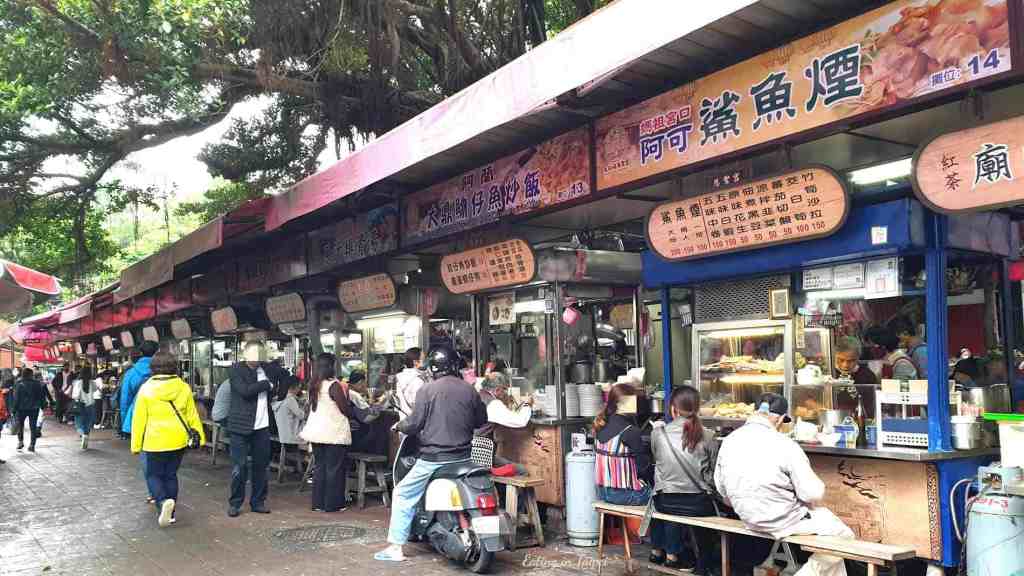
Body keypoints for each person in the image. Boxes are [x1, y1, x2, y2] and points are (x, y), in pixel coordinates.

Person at [715, 393, 853, 576]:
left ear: (755, 412)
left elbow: (721, 490)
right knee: (844, 536)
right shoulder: (785, 445)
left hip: (747, 518)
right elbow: (813, 494)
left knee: (834, 559)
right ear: (780, 419)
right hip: (783, 521)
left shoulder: (729, 441)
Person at [375, 345, 489, 562]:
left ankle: (396, 548)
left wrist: (400, 426)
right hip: (465, 457)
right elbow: (480, 421)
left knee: (402, 493)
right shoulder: (469, 390)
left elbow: (415, 424)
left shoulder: (427, 390)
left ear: (433, 368)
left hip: (434, 458)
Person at [649, 385, 720, 573]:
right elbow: (712, 474)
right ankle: (704, 564)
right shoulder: (709, 435)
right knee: (712, 519)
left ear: (673, 408)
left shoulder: (658, 433)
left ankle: (676, 554)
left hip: (666, 501)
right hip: (698, 504)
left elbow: (658, 461)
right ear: (697, 408)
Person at [131, 352, 206, 528]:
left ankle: (163, 501)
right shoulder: (183, 387)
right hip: (178, 439)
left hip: (154, 441)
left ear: (153, 368)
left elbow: (139, 419)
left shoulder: (146, 389)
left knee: (153, 474)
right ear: (174, 367)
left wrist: (136, 445)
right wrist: (200, 438)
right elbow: (192, 415)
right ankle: (170, 514)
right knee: (171, 475)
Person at [225, 341, 295, 517]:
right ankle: (235, 503)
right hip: (240, 426)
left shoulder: (269, 368)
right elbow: (245, 391)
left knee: (261, 466)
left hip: (262, 427)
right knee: (239, 467)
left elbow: (287, 376)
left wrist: (280, 392)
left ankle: (258, 501)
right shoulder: (235, 370)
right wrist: (267, 385)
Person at [300, 353, 354, 513]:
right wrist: (353, 413)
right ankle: (333, 504)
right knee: (334, 469)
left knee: (320, 467)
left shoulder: (314, 384)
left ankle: (318, 503)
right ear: (330, 367)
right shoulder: (334, 385)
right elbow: (344, 408)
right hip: (333, 433)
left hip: (317, 432)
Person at [593, 382, 652, 505]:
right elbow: (643, 468)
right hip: (625, 494)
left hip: (602, 492)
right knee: (659, 496)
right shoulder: (630, 431)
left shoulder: (600, 425)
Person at [475, 371, 531, 475]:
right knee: (521, 471)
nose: (505, 393)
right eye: (504, 389)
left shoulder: (477, 397)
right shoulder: (493, 404)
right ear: (497, 390)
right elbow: (520, 421)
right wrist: (527, 404)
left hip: (473, 455)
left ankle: (500, 491)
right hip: (481, 459)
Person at [121, 341, 158, 439]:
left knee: (144, 449)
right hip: (162, 418)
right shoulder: (165, 370)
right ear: (156, 352)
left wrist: (125, 422)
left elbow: (125, 401)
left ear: (141, 353)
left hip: (138, 417)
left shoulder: (130, 373)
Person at [12, 368, 48, 452]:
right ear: (31, 374)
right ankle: (32, 445)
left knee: (20, 425)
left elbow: (16, 398)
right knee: (33, 426)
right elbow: (41, 396)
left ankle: (20, 442)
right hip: (34, 408)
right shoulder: (37, 383)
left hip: (21, 409)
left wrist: (14, 409)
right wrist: (43, 406)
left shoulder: (18, 383)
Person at [394, 347, 427, 419]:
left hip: (404, 421)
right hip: (415, 423)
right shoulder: (417, 381)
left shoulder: (399, 378)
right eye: (424, 360)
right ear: (416, 362)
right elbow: (419, 406)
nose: (426, 362)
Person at [272, 381, 306, 448]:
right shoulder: (290, 400)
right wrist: (303, 407)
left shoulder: (279, 399)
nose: (299, 390)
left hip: (282, 435)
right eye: (299, 387)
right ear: (292, 388)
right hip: (291, 436)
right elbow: (302, 416)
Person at [72, 366, 97, 449]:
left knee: (79, 422)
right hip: (91, 404)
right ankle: (86, 435)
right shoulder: (92, 382)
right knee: (88, 422)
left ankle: (83, 435)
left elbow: (75, 395)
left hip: (81, 405)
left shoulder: (78, 382)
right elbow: (95, 390)